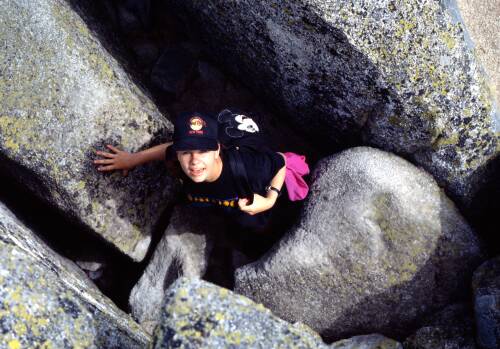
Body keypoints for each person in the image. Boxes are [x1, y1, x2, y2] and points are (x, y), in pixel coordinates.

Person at [93, 112, 287, 236]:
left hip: (250, 177)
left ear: (217, 150)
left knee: (251, 221)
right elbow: (169, 149)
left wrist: (270, 200)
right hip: (216, 194)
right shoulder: (177, 160)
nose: (194, 160)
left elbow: (281, 161)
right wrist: (133, 159)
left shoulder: (248, 168)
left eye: (203, 151)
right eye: (186, 152)